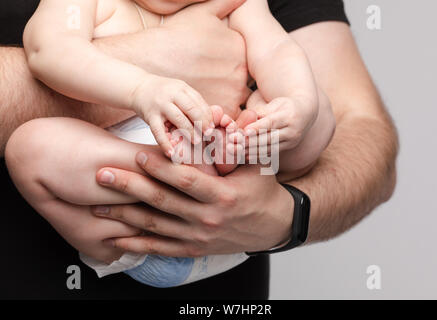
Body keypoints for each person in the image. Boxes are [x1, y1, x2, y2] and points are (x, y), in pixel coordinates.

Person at [0, 0, 398, 299]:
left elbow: (279, 52)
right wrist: (140, 88)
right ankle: (169, 176)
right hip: (134, 239)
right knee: (31, 148)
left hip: (235, 211)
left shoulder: (237, 3)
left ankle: (228, 155)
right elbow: (47, 51)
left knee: (316, 110)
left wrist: (294, 105)